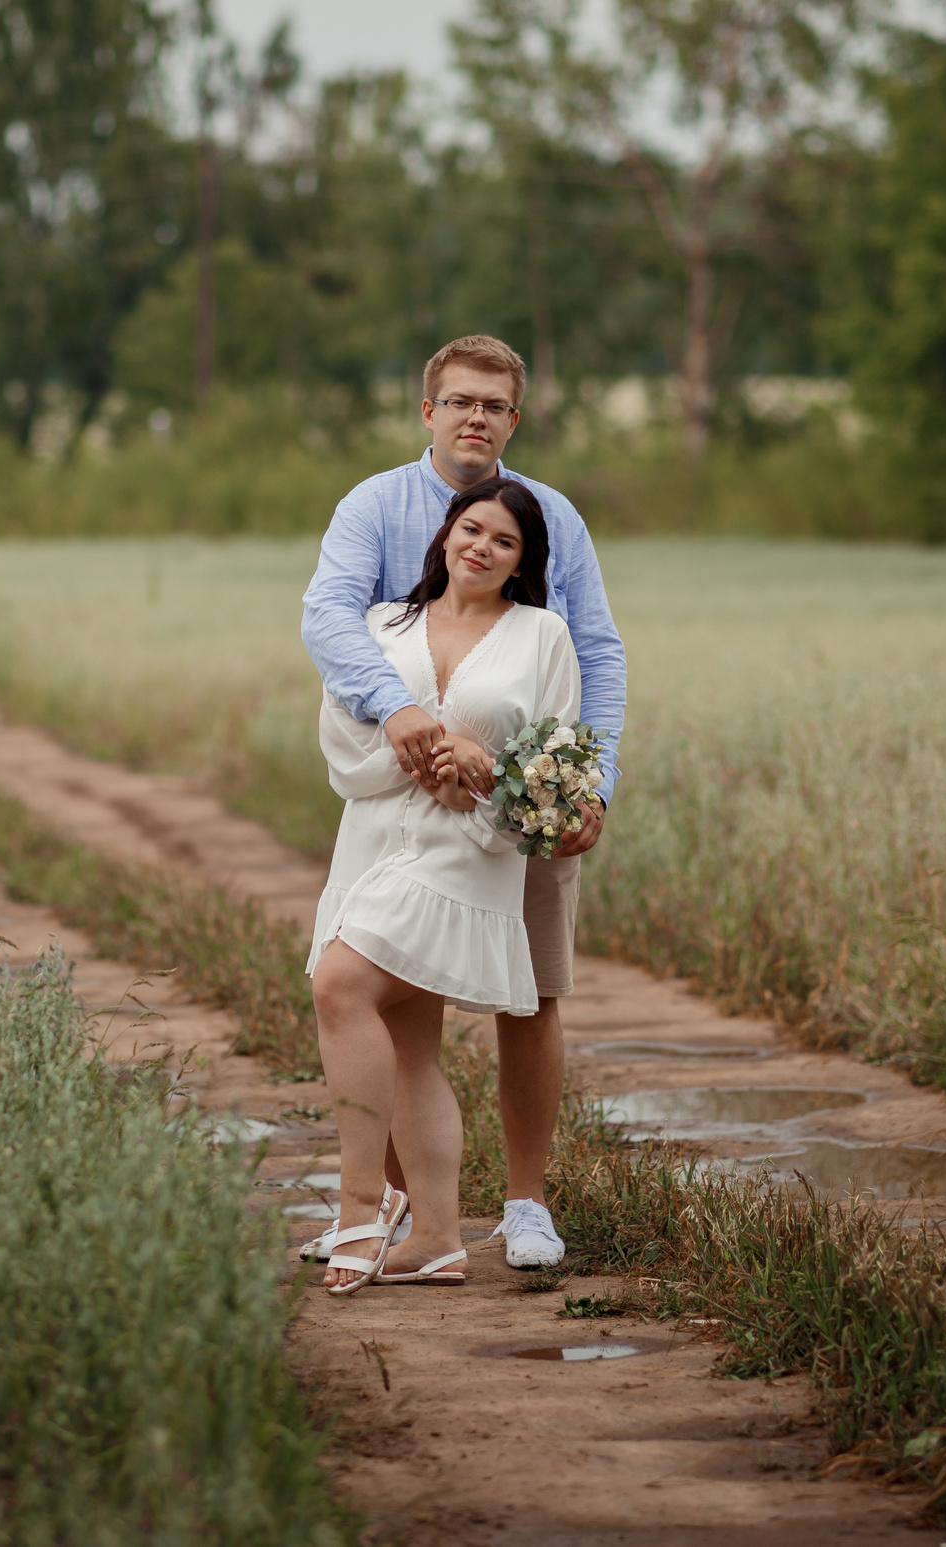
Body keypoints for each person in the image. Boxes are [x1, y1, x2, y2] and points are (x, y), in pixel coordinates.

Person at [300, 333, 627, 1272]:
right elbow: (330, 617)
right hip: (399, 800)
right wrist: (398, 711)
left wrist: (590, 786)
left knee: (534, 994)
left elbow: (594, 652)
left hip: (515, 796)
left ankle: (525, 1204)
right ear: (429, 410)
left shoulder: (552, 515)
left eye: (493, 404)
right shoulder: (374, 505)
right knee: (397, 1009)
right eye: (460, 401)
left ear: (513, 420)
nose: (475, 416)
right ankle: (402, 1210)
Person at [309, 476, 581, 1293]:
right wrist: (430, 756)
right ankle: (434, 1237)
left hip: (468, 850)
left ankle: (362, 1208)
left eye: (504, 540)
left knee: (339, 983)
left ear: (522, 561)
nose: (482, 547)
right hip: (373, 841)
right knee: (410, 1044)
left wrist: (481, 769)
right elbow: (342, 736)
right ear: (445, 534)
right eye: (471, 529)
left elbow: (553, 770)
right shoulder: (383, 624)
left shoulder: (543, 636)